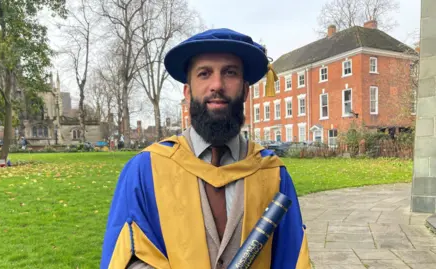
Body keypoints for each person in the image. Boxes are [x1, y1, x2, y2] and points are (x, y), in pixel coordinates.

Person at [100, 28, 310, 269]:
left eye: (230, 73)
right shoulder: (145, 170)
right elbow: (127, 256)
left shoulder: (271, 173)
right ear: (188, 92)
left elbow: (291, 258)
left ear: (245, 91)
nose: (217, 85)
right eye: (204, 73)